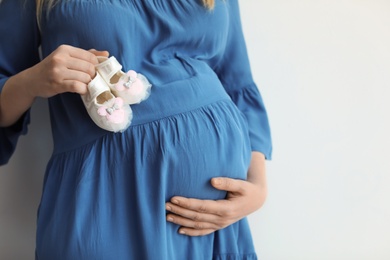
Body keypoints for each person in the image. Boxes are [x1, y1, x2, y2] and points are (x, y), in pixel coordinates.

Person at [0, 0, 272, 259]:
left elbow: (237, 84)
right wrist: (32, 81)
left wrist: (257, 186)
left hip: (208, 222)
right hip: (105, 198)